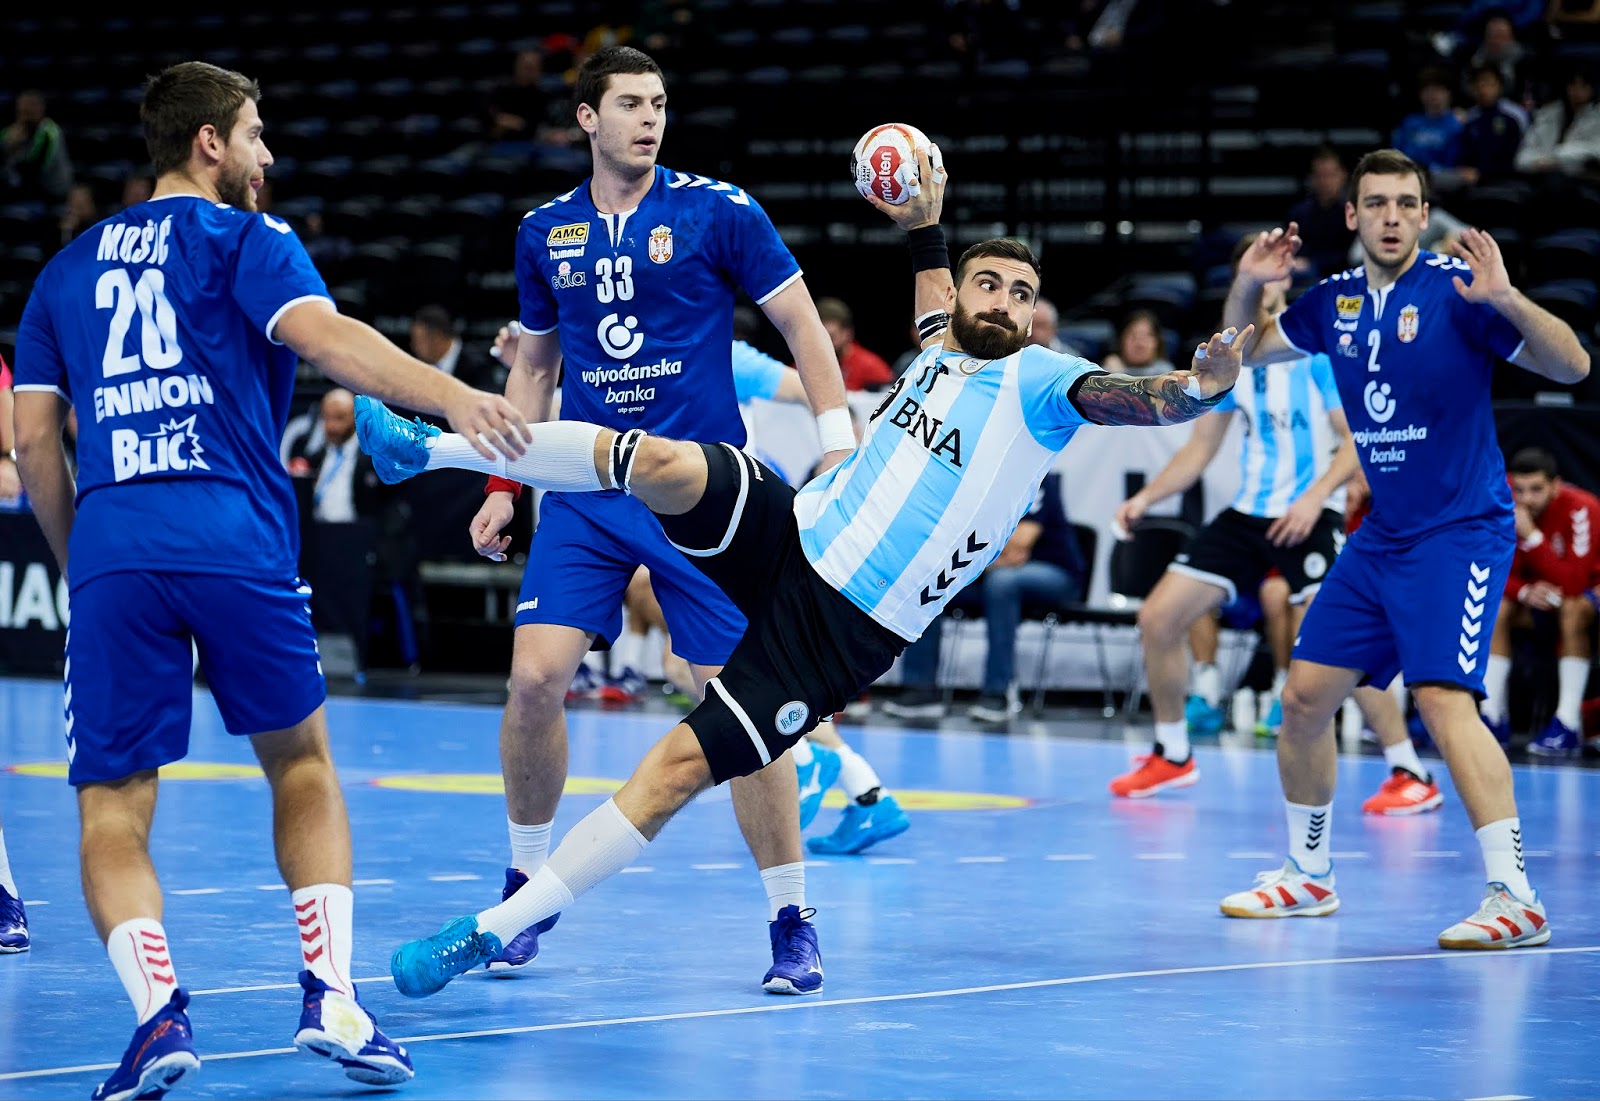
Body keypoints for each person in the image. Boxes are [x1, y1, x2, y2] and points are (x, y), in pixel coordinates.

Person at [358, 147, 1251, 1000]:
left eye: (1024, 294)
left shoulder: (1045, 383)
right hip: (796, 529)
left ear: (1034, 317)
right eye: (992, 283)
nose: (1007, 302)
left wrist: (1197, 387)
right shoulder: (942, 343)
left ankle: (494, 927)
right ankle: (427, 450)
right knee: (664, 462)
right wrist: (924, 227)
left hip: (839, 625)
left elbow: (1137, 398)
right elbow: (937, 296)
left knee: (675, 768)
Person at [9, 60, 530, 1098]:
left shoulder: (61, 272)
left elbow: (31, 443)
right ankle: (331, 997)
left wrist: (85, 559)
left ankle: (159, 1019)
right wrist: (451, 398)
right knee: (299, 763)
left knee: (112, 803)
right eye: (255, 135)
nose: (268, 156)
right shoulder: (249, 239)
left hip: (117, 541)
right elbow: (326, 339)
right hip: (235, 531)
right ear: (208, 143)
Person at [464, 45, 855, 994]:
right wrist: (503, 485)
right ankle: (525, 884)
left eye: (661, 103)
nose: (651, 118)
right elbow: (535, 363)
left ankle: (791, 915)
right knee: (532, 682)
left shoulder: (719, 208)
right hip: (588, 493)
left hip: (702, 502)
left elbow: (804, 326)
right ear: (587, 120)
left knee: (743, 707)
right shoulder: (543, 229)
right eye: (631, 103)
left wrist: (839, 442)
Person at [1217, 147, 1588, 947]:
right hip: (1381, 535)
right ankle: (1309, 875)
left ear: (1425, 216)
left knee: (1442, 699)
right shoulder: (1333, 301)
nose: (1390, 216)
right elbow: (1237, 352)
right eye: (1375, 203)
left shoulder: (1461, 294)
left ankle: (1516, 895)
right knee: (1307, 697)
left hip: (1460, 531)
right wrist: (1247, 282)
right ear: (1352, 217)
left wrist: (1511, 299)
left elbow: (1575, 363)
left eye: (1405, 203)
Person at [1108, 233, 1366, 798]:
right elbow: (1198, 451)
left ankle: (1405, 765)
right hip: (1249, 513)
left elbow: (1354, 442)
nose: (1272, 281)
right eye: (1259, 273)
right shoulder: (1229, 360)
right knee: (1158, 619)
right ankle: (1173, 752)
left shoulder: (1315, 353)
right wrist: (1145, 499)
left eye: (1279, 272)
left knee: (1334, 641)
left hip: (1309, 511)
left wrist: (1315, 495)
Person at [883, 471, 1087, 723]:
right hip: (989, 572)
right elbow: (944, 543)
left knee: (1002, 583)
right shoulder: (969, 482)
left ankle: (998, 692)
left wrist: (972, 557)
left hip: (1055, 574)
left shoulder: (1034, 476)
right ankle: (920, 690)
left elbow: (1020, 543)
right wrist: (983, 558)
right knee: (931, 581)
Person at [1483, 447, 1600, 755]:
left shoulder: (1582, 508)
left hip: (1585, 598)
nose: (1526, 499)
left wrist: (1532, 536)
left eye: (1536, 489)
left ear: (1555, 485)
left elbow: (1575, 582)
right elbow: (1491, 568)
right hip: (1537, 601)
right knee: (1497, 606)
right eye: (1519, 489)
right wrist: (1524, 591)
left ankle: (1568, 723)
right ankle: (1492, 717)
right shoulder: (1502, 505)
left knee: (1574, 609)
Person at [284, 388, 384, 523]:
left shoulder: (375, 457)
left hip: (361, 535)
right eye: (326, 417)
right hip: (321, 533)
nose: (331, 426)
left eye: (339, 418)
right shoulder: (316, 458)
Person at [1514, 64, 1600, 178]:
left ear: (1592, 88)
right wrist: (1538, 163)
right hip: (1541, 178)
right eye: (1572, 85)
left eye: (1583, 86)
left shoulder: (1597, 116)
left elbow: (1596, 150)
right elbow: (1521, 159)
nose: (1577, 91)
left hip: (1582, 180)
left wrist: (1556, 159)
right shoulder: (1547, 114)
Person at [1456, 63, 1530, 187]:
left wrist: (1484, 173)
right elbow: (1464, 153)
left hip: (1506, 178)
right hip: (1471, 178)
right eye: (1479, 84)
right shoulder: (1469, 118)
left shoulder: (1514, 115)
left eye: (1489, 84)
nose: (1483, 89)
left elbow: (1518, 154)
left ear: (1499, 86)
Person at [1287, 146, 1355, 278]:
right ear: (1312, 178)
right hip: (1304, 276)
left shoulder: (1353, 214)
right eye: (1320, 175)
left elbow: (1350, 255)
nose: (1325, 182)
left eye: (1330, 175)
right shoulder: (1299, 213)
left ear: (1343, 175)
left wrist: (1314, 263)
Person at [410, 303, 506, 396]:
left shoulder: (476, 366)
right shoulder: (421, 367)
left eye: (418, 341)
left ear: (437, 338)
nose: (413, 347)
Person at [1391, 67, 1465, 186]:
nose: (1432, 96)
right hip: (1405, 177)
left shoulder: (1456, 125)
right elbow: (1396, 154)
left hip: (1438, 181)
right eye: (1428, 91)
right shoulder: (1410, 122)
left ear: (1448, 93)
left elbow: (1453, 165)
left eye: (1438, 90)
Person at [1, 89, 73, 203]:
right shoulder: (9, 132)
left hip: (53, 190)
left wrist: (14, 150)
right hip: (24, 188)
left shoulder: (50, 132)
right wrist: (8, 146)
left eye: (31, 108)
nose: (26, 114)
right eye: (23, 110)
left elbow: (35, 169)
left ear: (41, 109)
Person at [816, 296, 896, 391]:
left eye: (831, 336)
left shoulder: (871, 366)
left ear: (848, 333)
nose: (825, 343)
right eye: (820, 337)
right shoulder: (806, 363)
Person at [1099, 308, 1174, 377]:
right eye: (1133, 336)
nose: (1139, 344)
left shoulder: (1166, 372)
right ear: (1121, 340)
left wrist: (1118, 376)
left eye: (1146, 336)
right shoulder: (1109, 368)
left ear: (1157, 342)